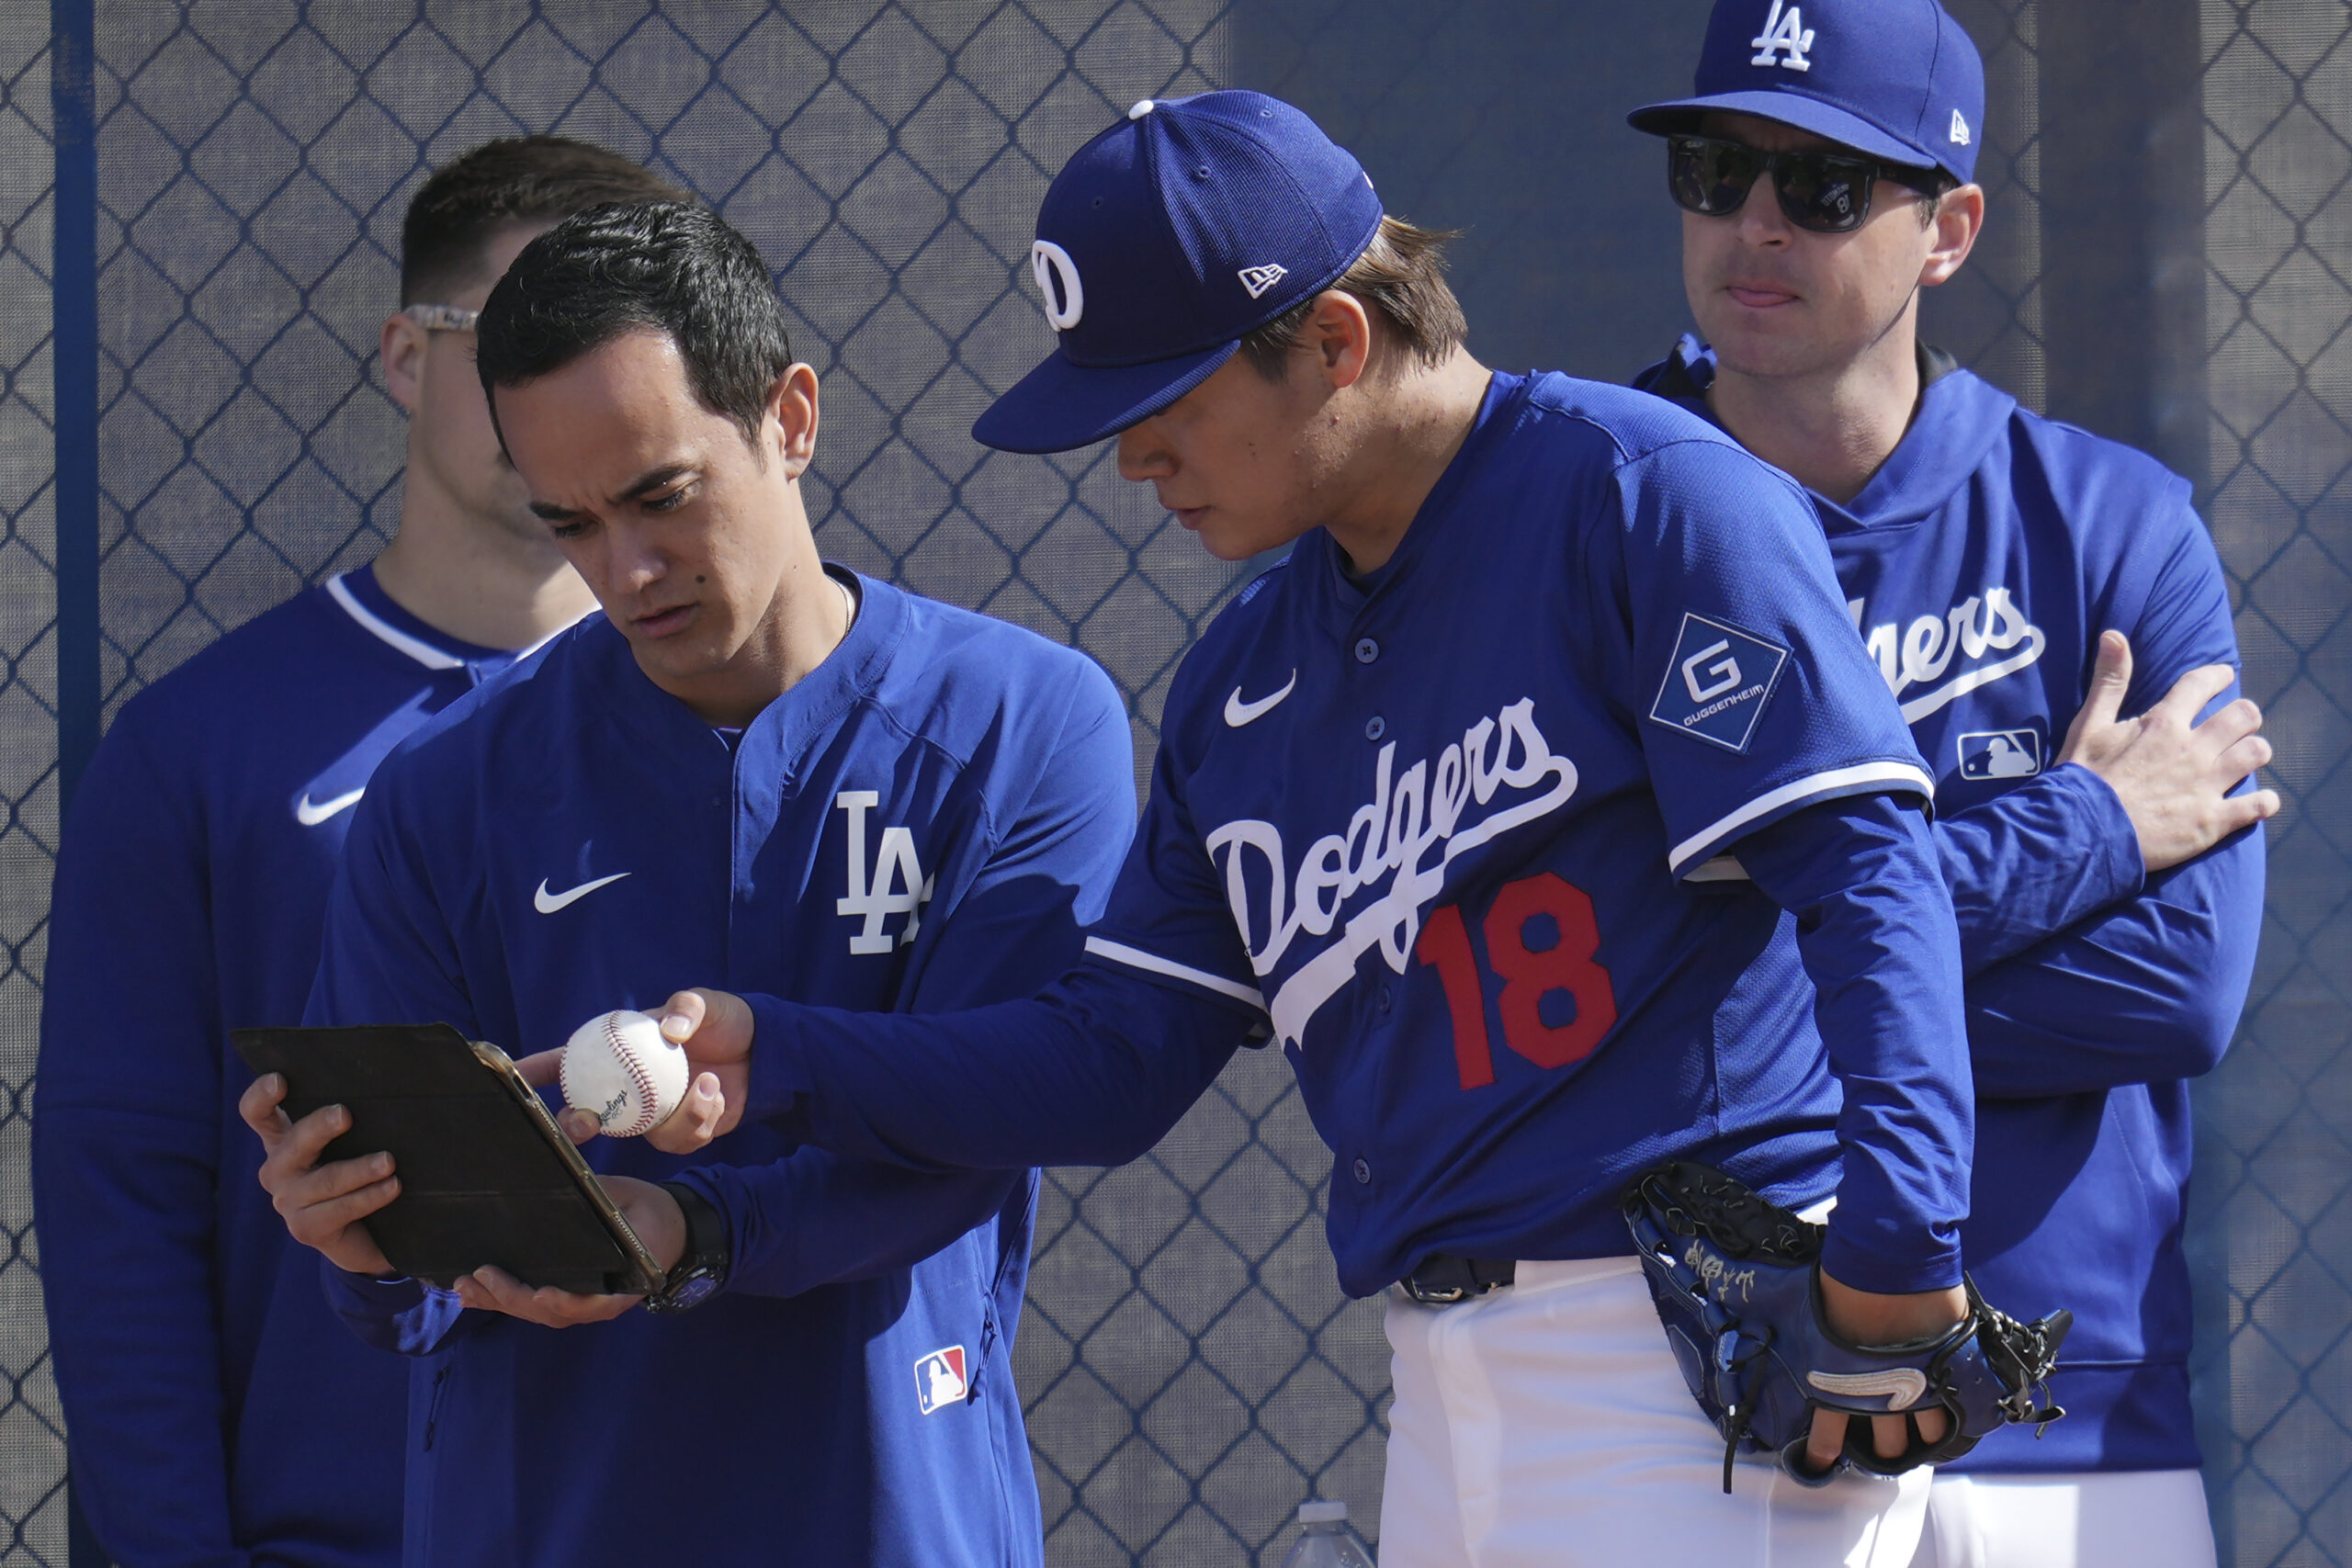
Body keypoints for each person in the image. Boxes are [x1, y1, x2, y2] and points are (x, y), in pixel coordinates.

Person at [562, 91, 1996, 1565]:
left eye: (1166, 401)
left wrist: (1899, 1250)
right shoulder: (1242, 682)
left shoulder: (1638, 498)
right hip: (1444, 1390)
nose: (1133, 459)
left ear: (1335, 340)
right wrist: (783, 1052)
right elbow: (1110, 1063)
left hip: (1687, 1345)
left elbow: (1869, 873)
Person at [241, 199, 1136, 1568]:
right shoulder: (447, 793)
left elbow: (990, 1118)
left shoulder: (1023, 719)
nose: (626, 569)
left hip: (889, 1511)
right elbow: (404, 1295)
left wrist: (700, 1229)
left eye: (661, 496)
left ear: (790, 416)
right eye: (573, 524)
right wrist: (363, 1238)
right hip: (547, 1520)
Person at [1624, 3, 2276, 1563]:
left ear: (1951, 229)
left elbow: (2182, 986)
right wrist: (2091, 829)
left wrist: (1779, 967)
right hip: (1692, 1391)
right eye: (1718, 170)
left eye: (1825, 188)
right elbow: (1617, 970)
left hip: (2068, 1390)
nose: (1754, 223)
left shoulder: (2112, 525)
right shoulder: (1602, 510)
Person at [33, 136, 681, 1568]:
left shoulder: (749, 732)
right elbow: (120, 1206)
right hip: (341, 1531)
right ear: (406, 356)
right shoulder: (201, 746)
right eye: (514, 332)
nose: (554, 389)